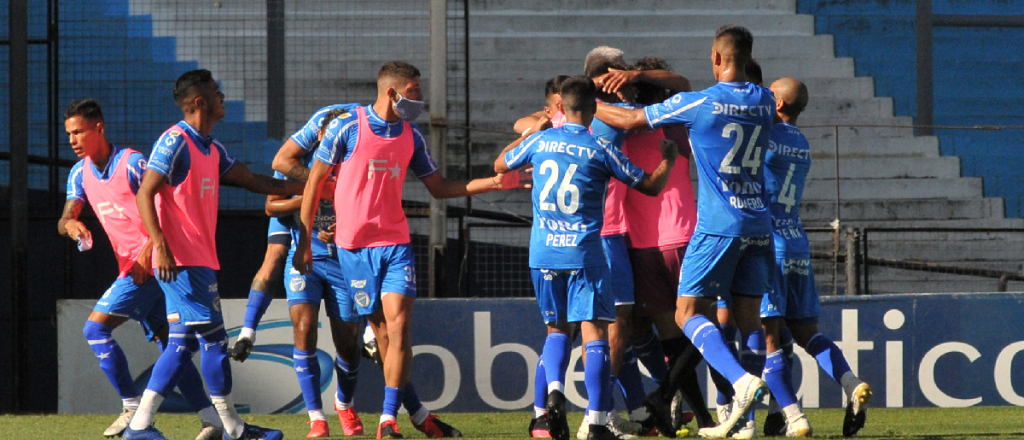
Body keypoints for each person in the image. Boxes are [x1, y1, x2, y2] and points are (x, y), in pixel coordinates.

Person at [295, 61, 521, 439]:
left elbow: (439, 186)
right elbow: (315, 182)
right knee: (380, 333)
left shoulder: (411, 136)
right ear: (392, 92)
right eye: (414, 92)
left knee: (399, 327)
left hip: (396, 243)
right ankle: (397, 413)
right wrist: (304, 241)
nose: (419, 99)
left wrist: (493, 183)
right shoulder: (347, 126)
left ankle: (388, 420)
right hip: (353, 248)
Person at [592, 25, 774, 439]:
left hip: (717, 226)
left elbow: (631, 117)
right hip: (759, 225)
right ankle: (742, 417)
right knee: (744, 321)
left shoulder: (700, 103)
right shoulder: (764, 101)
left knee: (686, 314)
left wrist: (587, 97)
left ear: (715, 57)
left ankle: (742, 386)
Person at [124, 69, 305, 440]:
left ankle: (140, 426)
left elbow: (257, 182)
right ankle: (234, 429)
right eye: (217, 93)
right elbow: (145, 193)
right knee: (215, 342)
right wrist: (160, 246)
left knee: (181, 344)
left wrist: (314, 186)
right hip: (181, 263)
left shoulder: (212, 147)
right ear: (199, 102)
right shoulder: (174, 141)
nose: (223, 98)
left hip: (197, 261)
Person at [496, 75, 678, 440]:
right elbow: (651, 186)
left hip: (544, 253)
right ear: (594, 110)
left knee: (556, 331)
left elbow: (501, 164)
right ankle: (596, 421)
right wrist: (668, 161)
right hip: (585, 254)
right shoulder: (600, 149)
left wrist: (532, 131)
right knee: (595, 332)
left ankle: (552, 399)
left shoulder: (541, 140)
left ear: (560, 107)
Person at [58, 99, 223, 440]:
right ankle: (212, 421)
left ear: (98, 128)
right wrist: (71, 224)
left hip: (149, 266)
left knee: (95, 330)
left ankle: (133, 407)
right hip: (137, 269)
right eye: (69, 134)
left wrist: (151, 250)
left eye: (78, 132)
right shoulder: (79, 173)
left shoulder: (132, 164)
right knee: (171, 344)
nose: (72, 140)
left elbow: (163, 207)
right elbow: (65, 216)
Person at [759, 78, 871, 437]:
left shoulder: (766, 139)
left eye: (768, 94)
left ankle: (794, 417)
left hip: (770, 243)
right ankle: (850, 382)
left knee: (770, 340)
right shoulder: (801, 143)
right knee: (807, 333)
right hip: (796, 243)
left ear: (777, 105)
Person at [265, 107, 365, 438]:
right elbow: (270, 206)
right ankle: (315, 417)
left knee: (348, 344)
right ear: (319, 135)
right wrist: (309, 194)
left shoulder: (355, 168)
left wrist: (344, 227)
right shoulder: (298, 168)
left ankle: (344, 404)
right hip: (303, 259)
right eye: (328, 133)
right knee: (304, 328)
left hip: (344, 263)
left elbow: (370, 209)